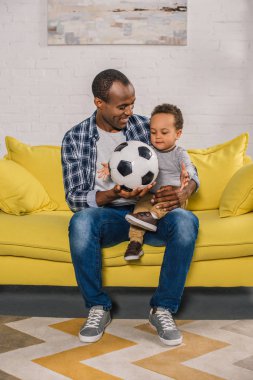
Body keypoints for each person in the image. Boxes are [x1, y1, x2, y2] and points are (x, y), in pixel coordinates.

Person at [61, 69, 199, 346]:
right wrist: (112, 193)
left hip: (148, 213)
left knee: (186, 221)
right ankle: (98, 307)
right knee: (80, 222)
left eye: (133, 103)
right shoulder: (75, 138)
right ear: (99, 103)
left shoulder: (145, 127)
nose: (129, 112)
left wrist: (187, 188)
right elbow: (74, 197)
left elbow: (182, 160)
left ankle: (162, 309)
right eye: (122, 106)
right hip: (109, 217)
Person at [123, 103, 197, 261]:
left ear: (178, 133)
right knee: (138, 211)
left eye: (164, 132)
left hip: (173, 197)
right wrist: (111, 168)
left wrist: (186, 175)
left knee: (165, 204)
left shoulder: (179, 153)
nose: (157, 136)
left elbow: (189, 168)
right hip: (151, 195)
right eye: (153, 132)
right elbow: (133, 164)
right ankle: (135, 244)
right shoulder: (147, 151)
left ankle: (152, 216)